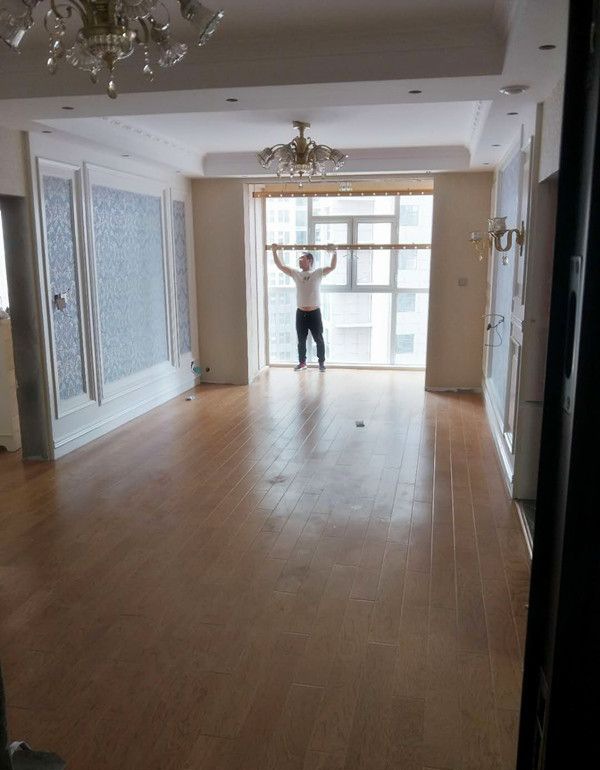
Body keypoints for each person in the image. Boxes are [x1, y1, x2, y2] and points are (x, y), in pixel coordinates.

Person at [272, 243, 337, 371]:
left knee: (319, 339)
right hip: (301, 313)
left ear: (309, 261)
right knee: (301, 340)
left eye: (302, 259)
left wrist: (334, 252)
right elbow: (280, 266)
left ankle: (321, 363)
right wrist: (275, 251)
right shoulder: (296, 273)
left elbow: (332, 267)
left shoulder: (317, 273)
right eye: (299, 259)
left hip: (314, 312)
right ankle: (302, 363)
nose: (299, 261)